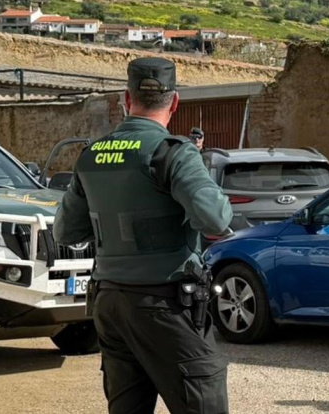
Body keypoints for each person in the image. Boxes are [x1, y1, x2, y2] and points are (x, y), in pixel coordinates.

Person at [53, 57, 233, 414]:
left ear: (126, 98)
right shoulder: (173, 152)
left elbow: (66, 231)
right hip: (164, 303)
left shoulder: (91, 155)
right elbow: (215, 219)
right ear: (175, 101)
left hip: (110, 302)